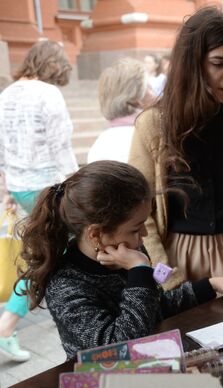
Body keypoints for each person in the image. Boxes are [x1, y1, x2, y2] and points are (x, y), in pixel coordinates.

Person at [17, 160, 223, 359]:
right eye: (135, 229)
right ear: (96, 233)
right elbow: (121, 348)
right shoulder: (66, 285)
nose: (143, 235)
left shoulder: (124, 253)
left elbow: (153, 308)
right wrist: (139, 270)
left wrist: (211, 285)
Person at [129, 7, 223, 289]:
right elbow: (139, 211)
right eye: (218, 63)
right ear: (192, 65)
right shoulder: (153, 126)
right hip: (174, 261)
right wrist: (166, 276)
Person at [0, 40, 77, 362]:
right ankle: (7, 326)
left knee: (47, 252)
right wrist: (78, 186)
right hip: (48, 188)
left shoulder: (6, 94)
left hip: (20, 187)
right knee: (50, 255)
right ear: (54, 66)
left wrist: (7, 188)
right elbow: (61, 147)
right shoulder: (48, 94)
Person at [87, 58, 154, 163]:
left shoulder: (101, 142)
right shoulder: (142, 140)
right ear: (137, 98)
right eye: (149, 87)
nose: (155, 94)